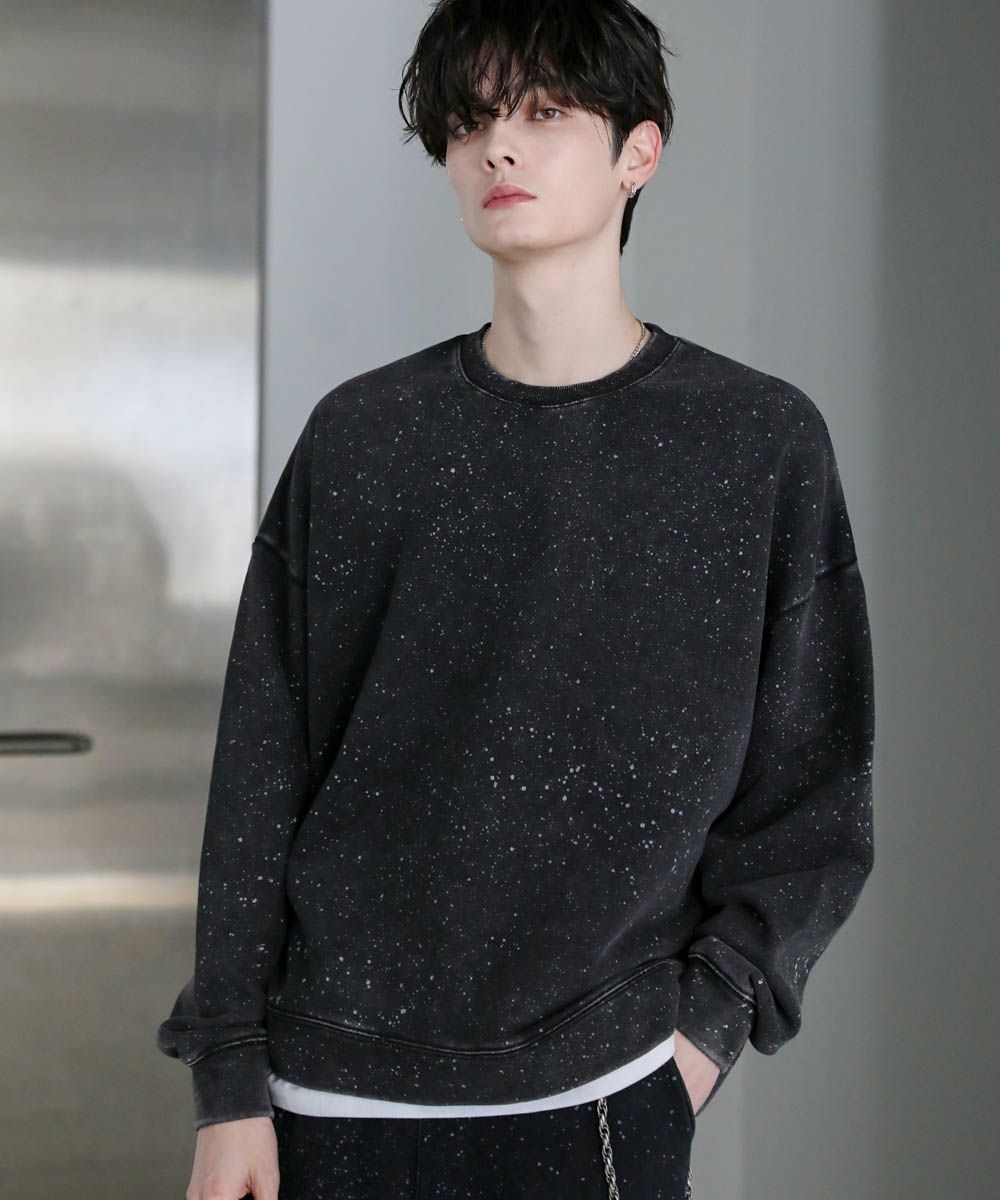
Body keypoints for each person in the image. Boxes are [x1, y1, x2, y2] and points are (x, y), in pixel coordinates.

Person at [156, 2, 876, 1198]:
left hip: (601, 1097)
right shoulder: (362, 437)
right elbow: (260, 773)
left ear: (638, 152)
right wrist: (227, 1081)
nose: (497, 145)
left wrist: (700, 1038)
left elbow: (813, 799)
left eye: (544, 112)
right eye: (469, 121)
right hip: (327, 1098)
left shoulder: (756, 443)